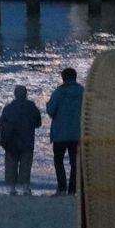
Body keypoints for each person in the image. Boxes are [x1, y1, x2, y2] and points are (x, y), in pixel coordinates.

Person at [45, 68, 84, 196]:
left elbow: (51, 110)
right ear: (75, 77)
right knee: (75, 163)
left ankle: (62, 188)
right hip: (77, 132)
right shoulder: (82, 92)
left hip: (60, 133)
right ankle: (72, 190)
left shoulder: (59, 92)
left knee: (58, 161)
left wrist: (47, 105)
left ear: (63, 78)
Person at [0, 85, 41, 195]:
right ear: (26, 94)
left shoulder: (8, 108)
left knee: (11, 165)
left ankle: (12, 188)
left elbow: (1, 122)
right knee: (26, 165)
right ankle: (25, 188)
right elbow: (38, 123)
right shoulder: (31, 107)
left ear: (15, 94)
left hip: (12, 141)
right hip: (27, 140)